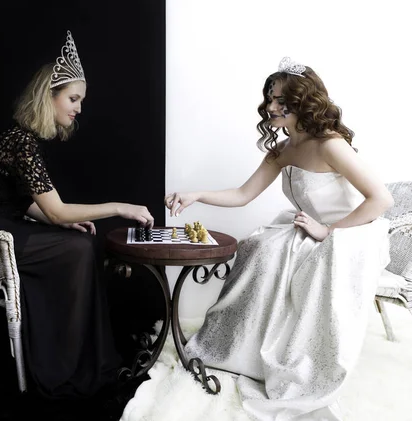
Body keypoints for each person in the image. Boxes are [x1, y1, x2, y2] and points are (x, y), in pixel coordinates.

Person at [164, 57, 394, 420]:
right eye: (269, 98)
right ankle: (240, 346)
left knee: (276, 253)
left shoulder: (330, 145)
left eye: (280, 100)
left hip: (352, 232)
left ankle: (293, 359)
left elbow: (381, 200)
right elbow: (242, 194)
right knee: (258, 247)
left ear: (305, 102)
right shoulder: (283, 149)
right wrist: (196, 195)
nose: (271, 107)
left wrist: (329, 231)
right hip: (311, 227)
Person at [0, 30, 153, 405]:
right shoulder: (20, 141)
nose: (78, 108)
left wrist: (59, 221)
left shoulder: (23, 140)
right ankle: (64, 365)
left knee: (78, 241)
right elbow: (52, 207)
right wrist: (119, 207)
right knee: (75, 251)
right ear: (49, 96)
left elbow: (23, 203)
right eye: (73, 99)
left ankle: (78, 355)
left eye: (80, 100)